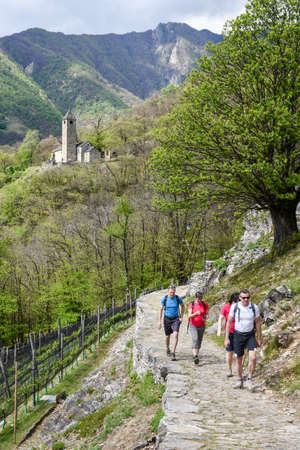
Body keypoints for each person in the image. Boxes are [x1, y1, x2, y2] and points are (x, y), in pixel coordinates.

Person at [225, 289, 262, 390]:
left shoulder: (254, 307)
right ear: (239, 298)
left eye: (248, 297)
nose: (246, 299)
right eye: (243, 298)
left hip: (250, 335)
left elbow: (258, 323)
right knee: (239, 359)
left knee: (253, 357)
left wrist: (259, 338)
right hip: (238, 335)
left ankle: (250, 379)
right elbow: (229, 322)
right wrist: (227, 338)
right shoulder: (235, 307)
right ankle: (239, 379)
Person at [158, 285, 184, 361]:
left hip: (176, 319)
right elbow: (161, 310)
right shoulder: (165, 299)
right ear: (168, 292)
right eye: (170, 292)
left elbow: (183, 306)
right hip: (167, 319)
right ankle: (167, 348)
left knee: (176, 334)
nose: (172, 294)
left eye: (173, 292)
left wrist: (181, 317)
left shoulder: (177, 298)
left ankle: (173, 353)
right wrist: (159, 321)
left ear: (175, 292)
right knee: (167, 336)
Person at [217, 292, 239, 377]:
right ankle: (229, 370)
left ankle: (239, 370)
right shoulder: (226, 307)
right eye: (236, 301)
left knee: (241, 352)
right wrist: (219, 330)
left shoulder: (241, 307)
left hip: (240, 332)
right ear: (232, 301)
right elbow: (220, 318)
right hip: (229, 332)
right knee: (230, 352)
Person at [188, 291, 209, 365]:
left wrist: (205, 318)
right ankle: (195, 356)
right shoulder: (192, 304)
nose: (200, 300)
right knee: (195, 338)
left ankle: (196, 355)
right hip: (193, 324)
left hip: (202, 325)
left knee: (199, 341)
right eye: (198, 298)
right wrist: (195, 314)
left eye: (201, 298)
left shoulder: (204, 304)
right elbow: (189, 316)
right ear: (196, 298)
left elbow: (206, 314)